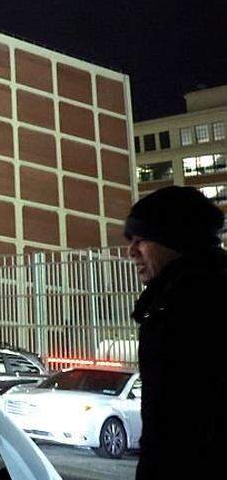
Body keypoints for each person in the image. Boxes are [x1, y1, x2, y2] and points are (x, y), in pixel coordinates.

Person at [124, 186, 226, 479]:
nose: (132, 251)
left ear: (175, 240)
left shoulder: (191, 306)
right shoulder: (170, 301)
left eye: (141, 239)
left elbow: (177, 429)